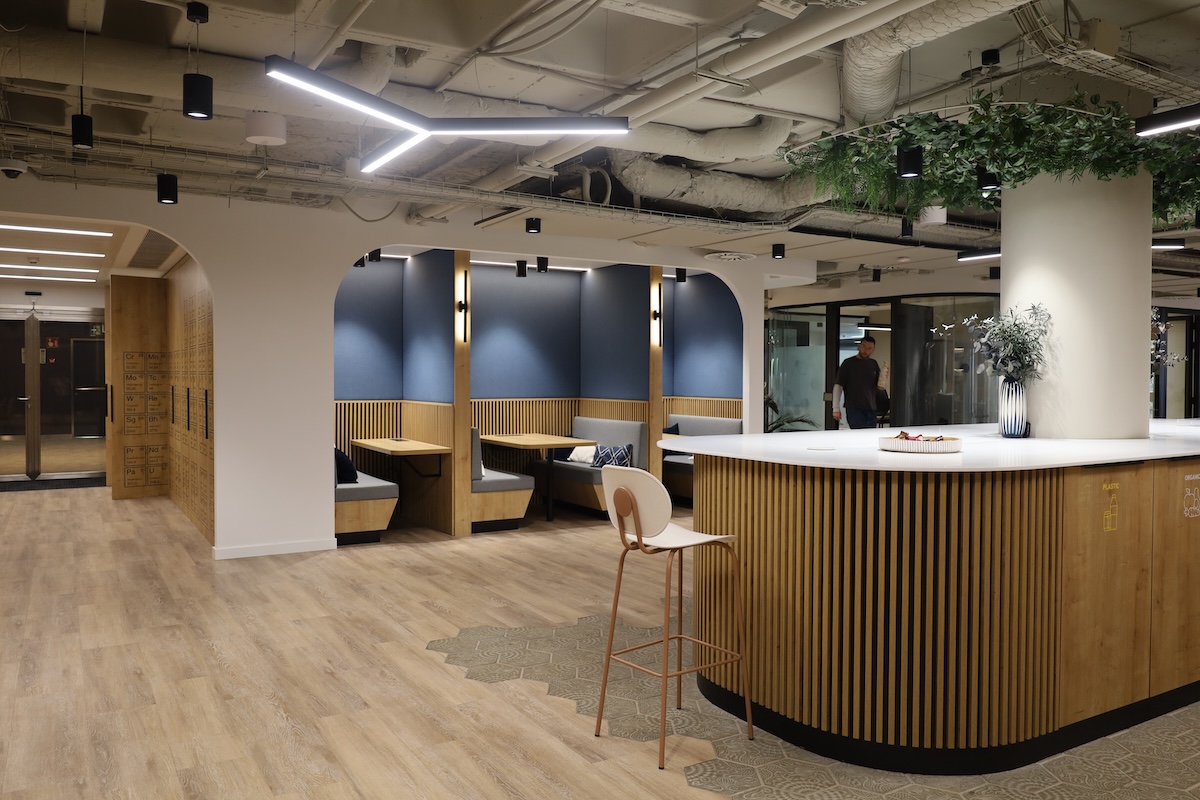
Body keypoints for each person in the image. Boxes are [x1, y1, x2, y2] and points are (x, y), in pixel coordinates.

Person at [832, 335, 882, 429]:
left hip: (871, 407)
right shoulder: (848, 363)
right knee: (858, 433)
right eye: (864, 347)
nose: (866, 350)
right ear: (859, 346)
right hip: (854, 407)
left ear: (873, 349)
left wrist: (884, 378)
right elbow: (838, 386)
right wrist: (835, 408)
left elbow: (879, 386)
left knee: (871, 434)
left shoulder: (873, 363)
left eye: (869, 348)